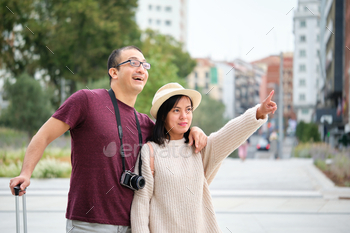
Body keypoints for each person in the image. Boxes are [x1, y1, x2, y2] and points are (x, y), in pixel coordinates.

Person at [9, 46, 207, 233]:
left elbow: (177, 132)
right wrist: (26, 173)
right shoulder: (86, 101)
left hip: (132, 225)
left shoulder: (146, 123)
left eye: (144, 65)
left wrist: (195, 130)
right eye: (133, 63)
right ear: (114, 72)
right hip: (88, 225)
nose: (141, 69)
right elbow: (43, 136)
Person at [130, 83, 277, 233]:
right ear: (163, 115)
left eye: (188, 110)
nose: (184, 116)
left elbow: (230, 135)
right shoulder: (150, 152)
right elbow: (141, 205)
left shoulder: (200, 147)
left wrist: (259, 112)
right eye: (176, 110)